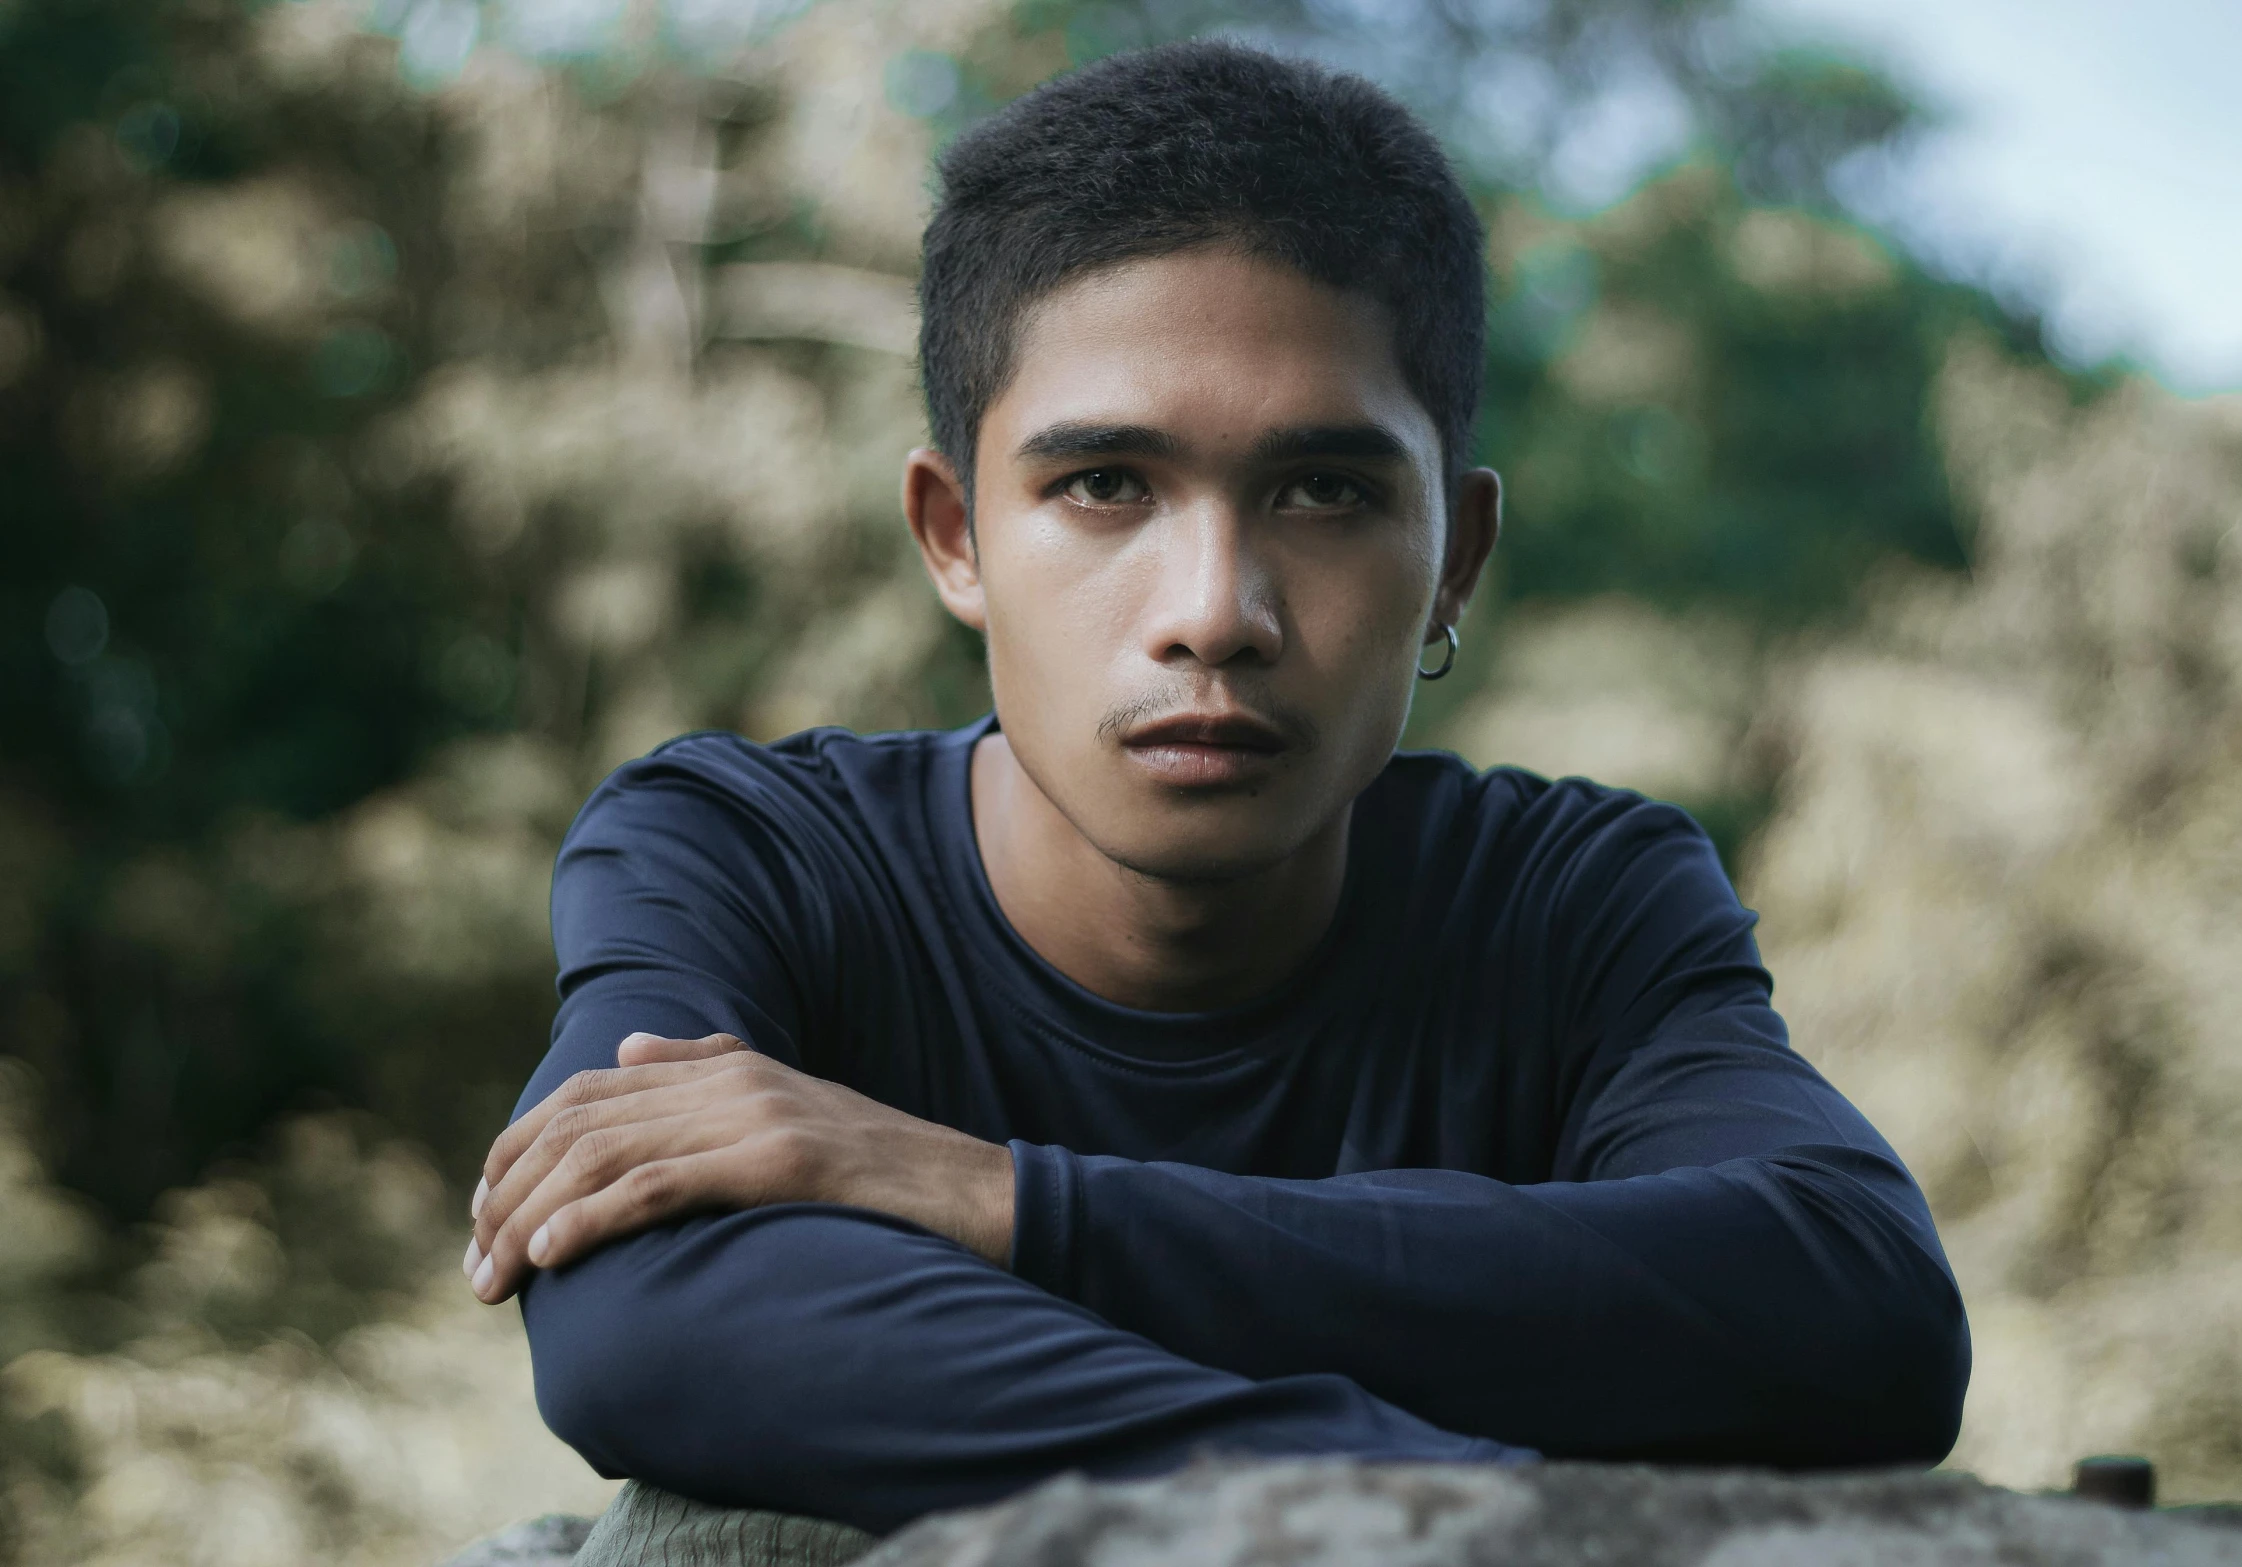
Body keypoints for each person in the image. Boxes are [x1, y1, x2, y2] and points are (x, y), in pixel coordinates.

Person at [463, 39, 1970, 1547]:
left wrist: (1000, 1199)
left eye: (1323, 491)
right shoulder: (747, 853)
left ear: (1453, 556)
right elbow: (635, 1300)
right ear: (954, 536)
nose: (1213, 609)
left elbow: (1852, 1301)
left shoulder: (1570, 897)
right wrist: (1445, 1510)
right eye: (1103, 484)